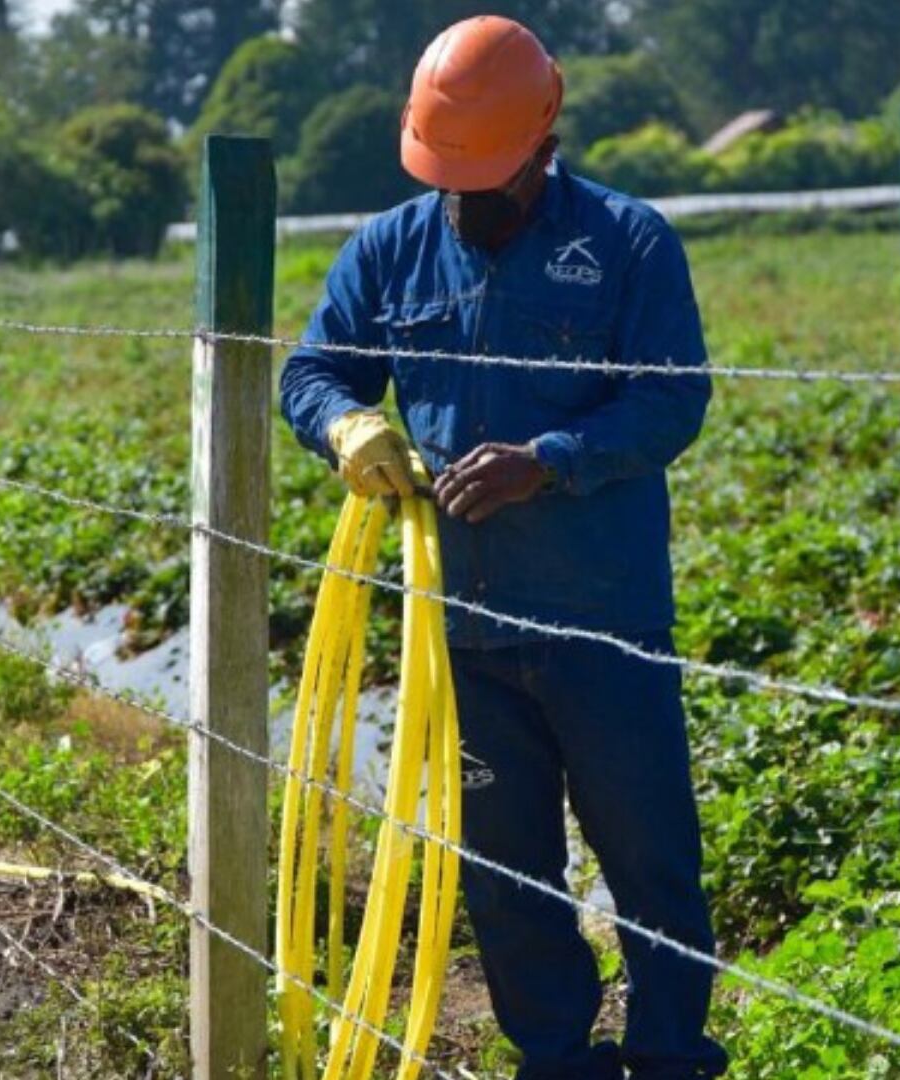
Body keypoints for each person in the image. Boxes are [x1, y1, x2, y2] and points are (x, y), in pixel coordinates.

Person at [278, 15, 725, 1080]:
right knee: (503, 871)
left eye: (488, 176)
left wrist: (553, 458)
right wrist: (347, 424)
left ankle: (668, 1059)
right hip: (464, 630)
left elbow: (673, 405)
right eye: (450, 176)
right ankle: (558, 1060)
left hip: (602, 619)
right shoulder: (392, 246)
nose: (467, 200)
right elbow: (311, 371)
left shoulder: (627, 242)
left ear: (545, 133)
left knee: (651, 859)